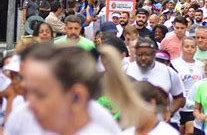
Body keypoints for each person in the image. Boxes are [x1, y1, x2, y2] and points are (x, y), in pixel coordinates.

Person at [7, 43, 140, 134]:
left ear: (77, 96)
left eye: (40, 95)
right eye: (29, 92)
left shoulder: (101, 123)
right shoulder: (21, 115)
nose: (29, 105)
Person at [125, 37, 186, 117]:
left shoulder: (168, 72)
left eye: (147, 54)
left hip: (159, 124)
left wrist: (170, 112)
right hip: (131, 123)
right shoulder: (125, 71)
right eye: (140, 55)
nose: (143, 58)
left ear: (154, 54)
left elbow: (180, 99)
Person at [171, 37, 205, 135]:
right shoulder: (174, 64)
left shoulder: (200, 65)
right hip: (179, 105)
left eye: (192, 47)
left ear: (196, 48)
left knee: (190, 132)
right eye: (187, 46)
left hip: (194, 106)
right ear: (182, 47)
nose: (189, 49)